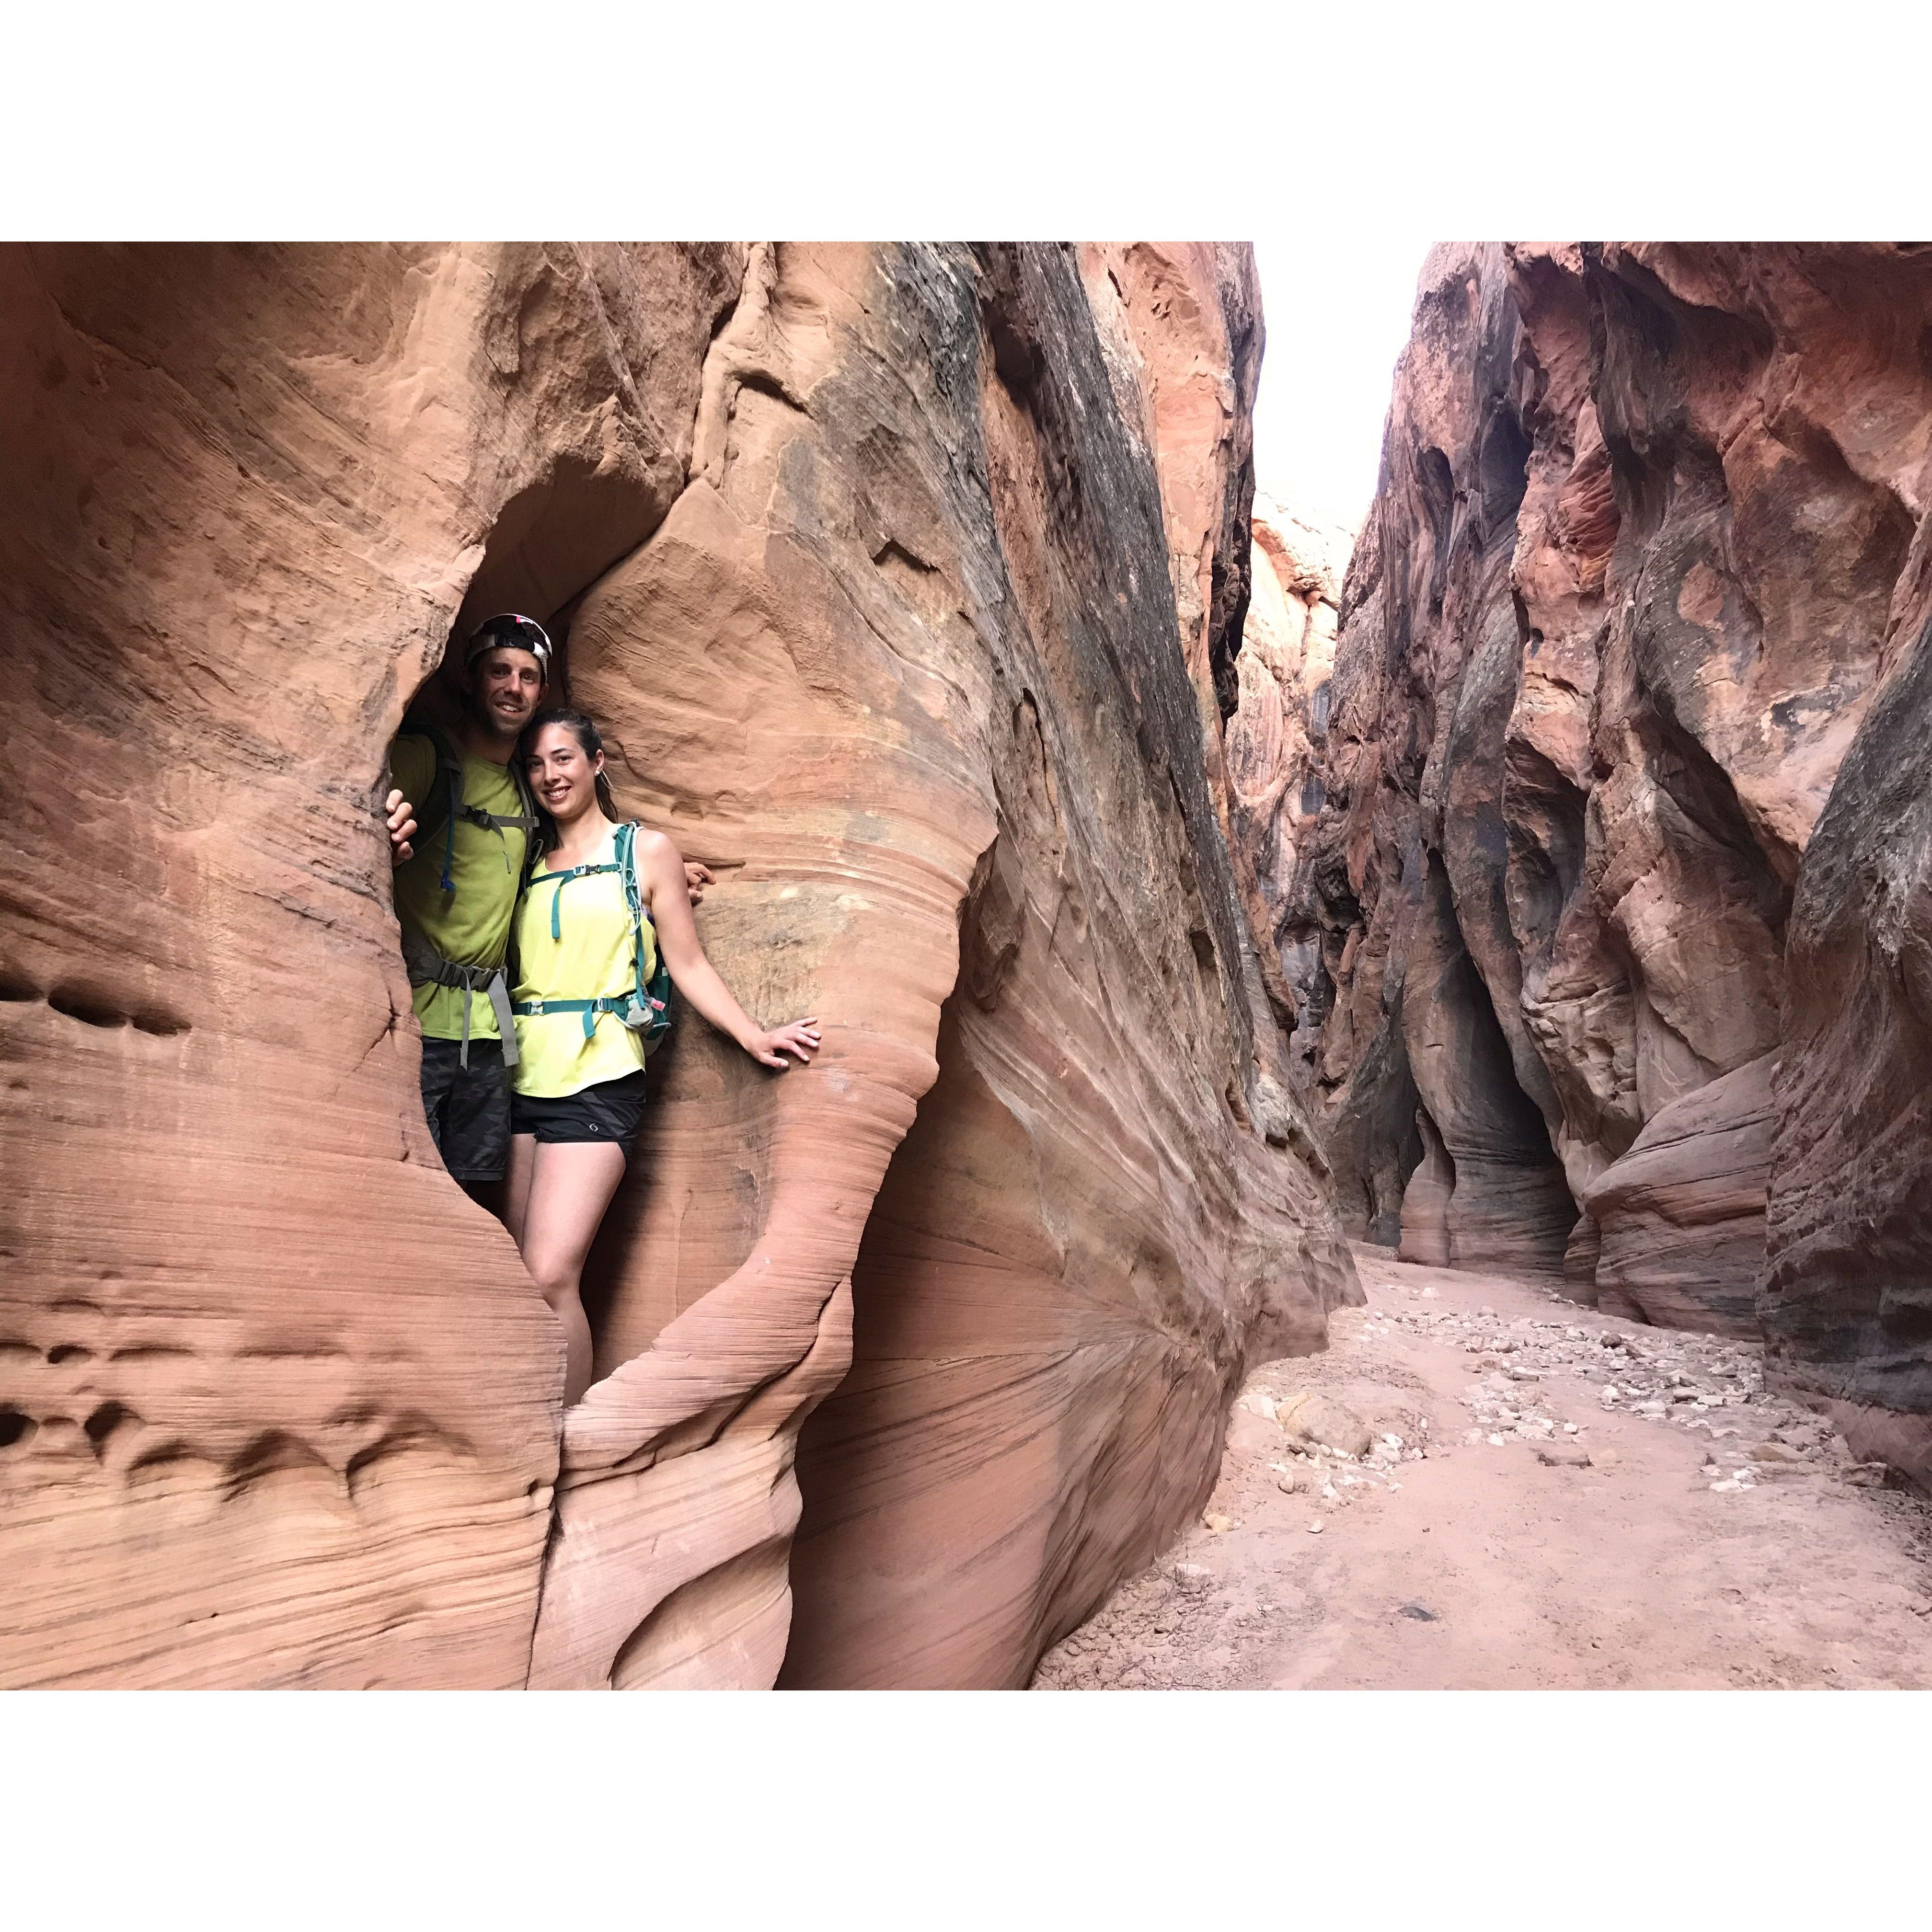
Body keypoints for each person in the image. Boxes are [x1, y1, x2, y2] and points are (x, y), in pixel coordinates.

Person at [505, 706, 821, 1403]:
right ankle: (525, 1431)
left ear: (596, 764)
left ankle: (565, 1433)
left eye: (564, 758)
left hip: (600, 1070)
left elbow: (688, 964)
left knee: (550, 1273)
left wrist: (752, 1034)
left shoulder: (643, 852)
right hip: (524, 1069)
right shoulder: (524, 859)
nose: (550, 774)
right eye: (536, 763)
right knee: (516, 1279)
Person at [383, 614, 713, 1204]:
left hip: (491, 1043)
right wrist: (380, 833)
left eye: (529, 676)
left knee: (477, 1217)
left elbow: (577, 850)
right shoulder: (427, 758)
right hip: (416, 1026)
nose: (514, 687)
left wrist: (658, 876)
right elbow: (354, 802)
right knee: (409, 1203)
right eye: (500, 672)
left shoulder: (525, 789)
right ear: (473, 679)